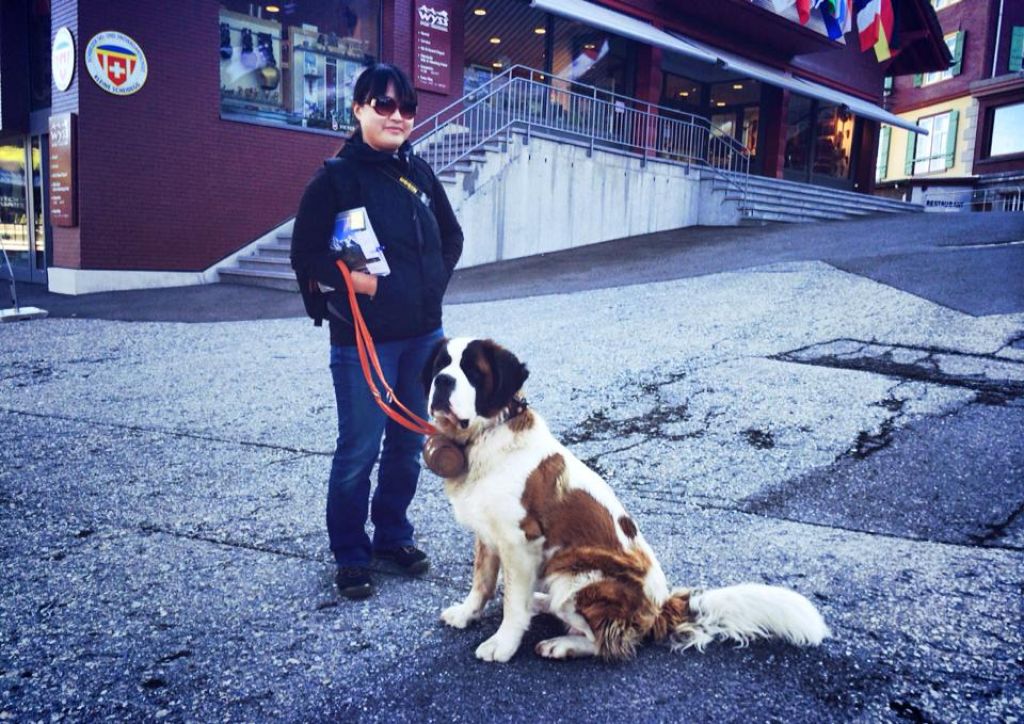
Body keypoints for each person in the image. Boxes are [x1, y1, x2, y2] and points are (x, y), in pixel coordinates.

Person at [290, 63, 463, 599]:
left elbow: (451, 237)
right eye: (384, 105)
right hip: (363, 340)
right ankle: (350, 551)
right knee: (359, 449)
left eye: (406, 107)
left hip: (422, 337)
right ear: (360, 108)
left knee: (409, 444)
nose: (397, 116)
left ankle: (392, 534)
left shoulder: (418, 171)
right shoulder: (336, 178)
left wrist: (428, 289)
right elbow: (304, 255)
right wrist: (354, 283)